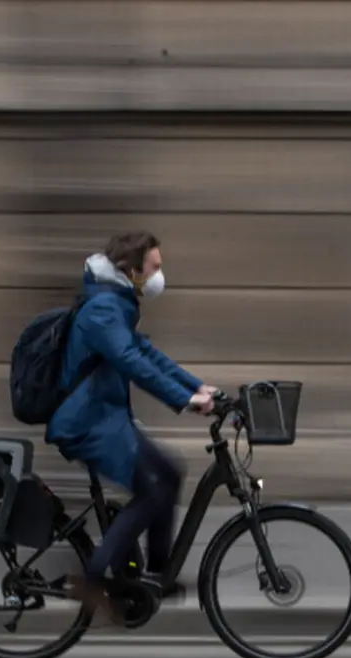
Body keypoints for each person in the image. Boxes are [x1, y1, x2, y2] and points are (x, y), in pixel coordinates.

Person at [45, 231, 216, 624]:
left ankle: (157, 575)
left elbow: (145, 352)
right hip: (86, 423)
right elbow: (128, 360)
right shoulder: (104, 308)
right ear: (131, 270)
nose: (159, 275)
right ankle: (93, 578)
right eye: (154, 267)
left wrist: (196, 385)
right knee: (153, 488)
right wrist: (182, 400)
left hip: (105, 416)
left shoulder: (116, 302)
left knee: (170, 473)